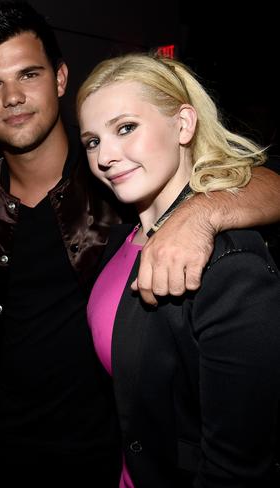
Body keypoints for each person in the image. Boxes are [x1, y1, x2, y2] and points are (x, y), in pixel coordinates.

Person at [0, 1, 280, 486]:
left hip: (104, 453)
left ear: (60, 78)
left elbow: (265, 184)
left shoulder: (117, 191)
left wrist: (201, 213)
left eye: (28, 74)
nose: (12, 97)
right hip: (7, 449)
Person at [79, 53, 280, 487]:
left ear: (184, 125)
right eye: (92, 141)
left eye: (125, 128)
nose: (106, 157)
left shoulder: (230, 264)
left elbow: (236, 468)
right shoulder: (120, 239)